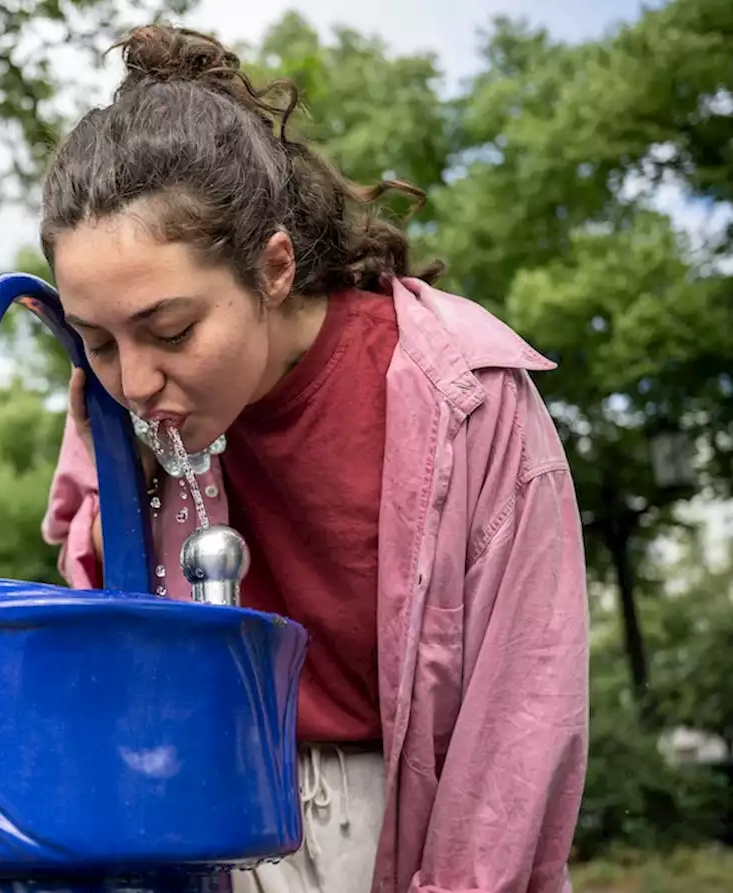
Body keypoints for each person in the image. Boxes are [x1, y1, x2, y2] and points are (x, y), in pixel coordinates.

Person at [38, 23, 589, 893]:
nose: (137, 377)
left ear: (276, 267)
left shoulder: (462, 395)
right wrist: (118, 483)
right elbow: (103, 637)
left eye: (172, 329)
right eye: (96, 340)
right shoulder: (117, 406)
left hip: (410, 836)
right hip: (196, 830)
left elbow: (523, 714)